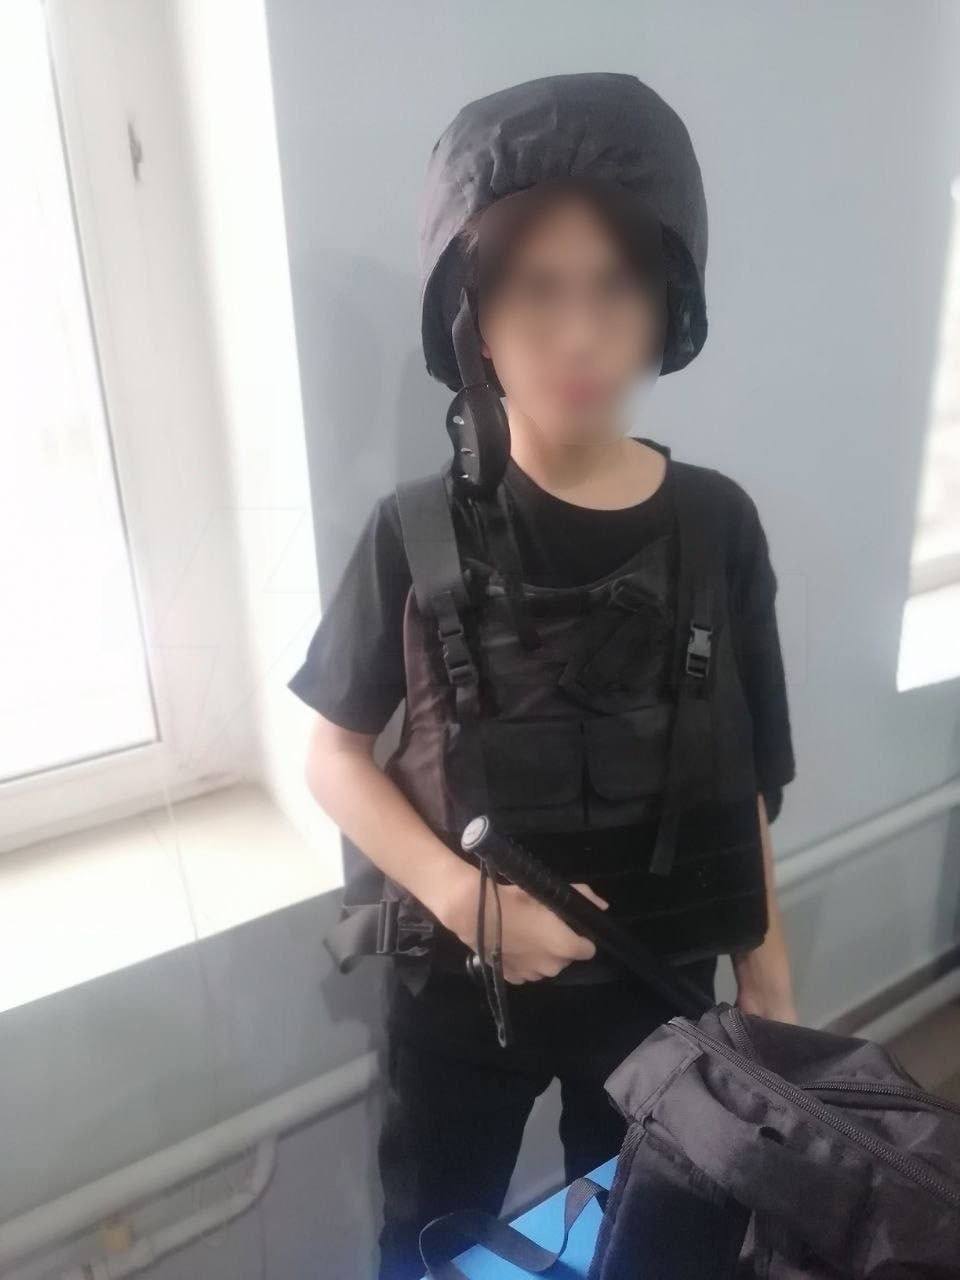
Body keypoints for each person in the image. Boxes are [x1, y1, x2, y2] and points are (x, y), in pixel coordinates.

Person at [289, 75, 797, 1280]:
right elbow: (333, 752)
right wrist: (467, 903)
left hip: (657, 990)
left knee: (651, 1241)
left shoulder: (718, 525)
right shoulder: (411, 529)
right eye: (535, 287)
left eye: (613, 286)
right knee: (432, 1241)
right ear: (476, 313)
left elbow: (743, 778)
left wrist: (770, 987)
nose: (577, 333)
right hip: (461, 1000)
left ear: (665, 301)